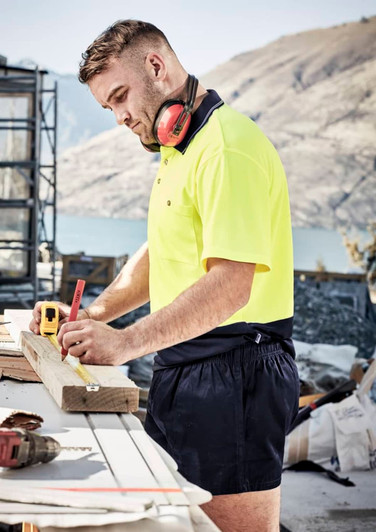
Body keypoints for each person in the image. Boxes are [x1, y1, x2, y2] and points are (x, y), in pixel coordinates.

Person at [30, 20, 299, 532]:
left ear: (156, 66)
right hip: (183, 366)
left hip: (236, 371)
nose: (120, 117)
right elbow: (163, 253)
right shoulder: (180, 149)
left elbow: (231, 285)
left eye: (120, 97)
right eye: (109, 107)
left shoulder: (225, 147)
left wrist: (124, 344)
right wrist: (94, 317)